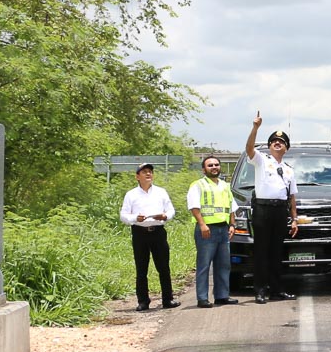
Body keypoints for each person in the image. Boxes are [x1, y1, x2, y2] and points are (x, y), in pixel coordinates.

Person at [245, 113, 299, 303]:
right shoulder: (261, 161)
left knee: (277, 252)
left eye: (281, 142)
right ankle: (260, 290)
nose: (277, 143)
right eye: (274, 141)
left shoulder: (289, 170)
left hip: (280, 212)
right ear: (269, 146)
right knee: (261, 252)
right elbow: (249, 148)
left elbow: (291, 197)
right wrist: (255, 128)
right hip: (262, 210)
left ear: (286, 148)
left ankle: (277, 290)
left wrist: (294, 219)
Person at [119, 163, 178, 311]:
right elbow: (123, 215)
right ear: (137, 176)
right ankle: (143, 301)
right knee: (141, 268)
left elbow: (171, 210)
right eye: (144, 172)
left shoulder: (161, 192)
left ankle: (167, 299)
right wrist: (135, 218)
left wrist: (165, 216)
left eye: (150, 171)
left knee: (163, 267)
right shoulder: (131, 194)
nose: (148, 174)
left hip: (158, 231)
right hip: (139, 233)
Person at [186, 155, 238, 309]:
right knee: (204, 264)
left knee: (224, 264)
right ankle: (202, 298)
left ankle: (222, 296)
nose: (214, 167)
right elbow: (194, 207)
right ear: (203, 169)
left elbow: (231, 207)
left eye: (216, 164)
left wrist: (232, 225)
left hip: (223, 229)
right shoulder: (198, 185)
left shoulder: (225, 185)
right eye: (210, 165)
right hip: (207, 230)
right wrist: (202, 224)